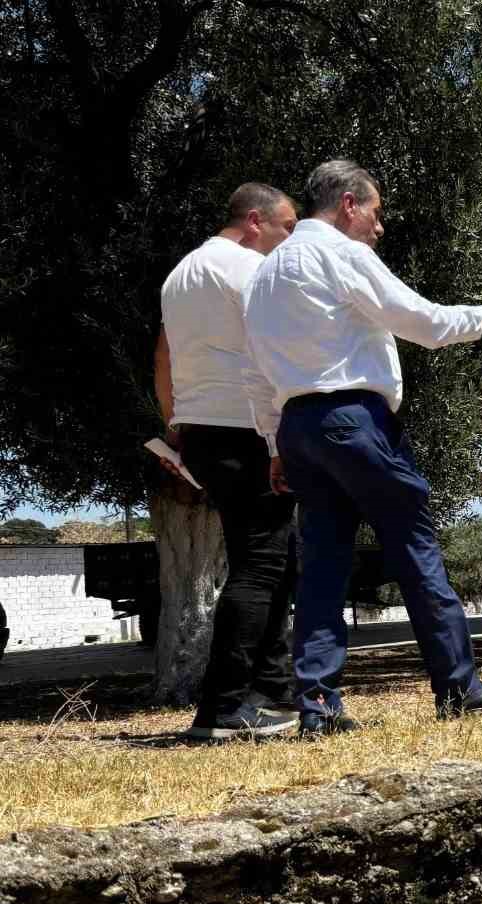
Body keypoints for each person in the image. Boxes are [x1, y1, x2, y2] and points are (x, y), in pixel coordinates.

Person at [242, 159, 482, 736]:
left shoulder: (264, 276)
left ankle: (317, 703)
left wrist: (274, 444)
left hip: (297, 427)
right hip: (354, 420)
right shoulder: (343, 254)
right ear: (348, 204)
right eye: (374, 210)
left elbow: (255, 373)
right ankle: (458, 685)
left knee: (322, 564)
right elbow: (421, 322)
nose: (379, 225)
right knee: (413, 545)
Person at [156, 182, 300, 740]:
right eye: (288, 227)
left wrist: (175, 426)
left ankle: (276, 694)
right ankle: (221, 708)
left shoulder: (180, 275)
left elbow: (164, 354)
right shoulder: (245, 269)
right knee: (262, 563)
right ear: (256, 221)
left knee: (274, 558)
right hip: (244, 429)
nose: (291, 239)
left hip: (201, 431)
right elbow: (278, 349)